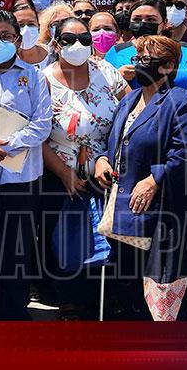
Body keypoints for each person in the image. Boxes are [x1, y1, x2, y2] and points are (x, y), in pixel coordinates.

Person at [93, 35, 187, 320]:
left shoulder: (181, 101)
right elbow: (114, 142)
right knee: (127, 286)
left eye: (145, 59)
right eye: (137, 58)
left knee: (159, 291)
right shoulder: (128, 99)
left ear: (167, 66)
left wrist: (156, 178)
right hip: (125, 210)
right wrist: (102, 160)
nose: (138, 64)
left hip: (161, 213)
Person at [0, 10, 51, 320]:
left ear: (17, 39)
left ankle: (15, 316)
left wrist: (8, 145)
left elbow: (43, 124)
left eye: (5, 36)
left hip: (22, 180)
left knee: (17, 253)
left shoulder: (35, 76)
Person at [41, 16, 127, 319]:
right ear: (55, 43)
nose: (77, 45)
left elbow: (131, 112)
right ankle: (71, 306)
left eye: (84, 39)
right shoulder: (43, 80)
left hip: (104, 173)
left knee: (105, 245)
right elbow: (35, 135)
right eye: (68, 39)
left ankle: (104, 308)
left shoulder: (107, 72)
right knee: (65, 245)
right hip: (58, 175)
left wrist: (106, 159)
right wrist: (64, 173)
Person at [106, 0, 187, 90]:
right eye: (137, 19)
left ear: (164, 23)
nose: (143, 23)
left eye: (151, 19)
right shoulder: (116, 52)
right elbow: (102, 90)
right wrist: (117, 78)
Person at [31, 2, 74, 68]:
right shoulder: (41, 54)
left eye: (66, 21)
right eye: (55, 24)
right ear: (48, 30)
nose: (62, 26)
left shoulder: (84, 45)